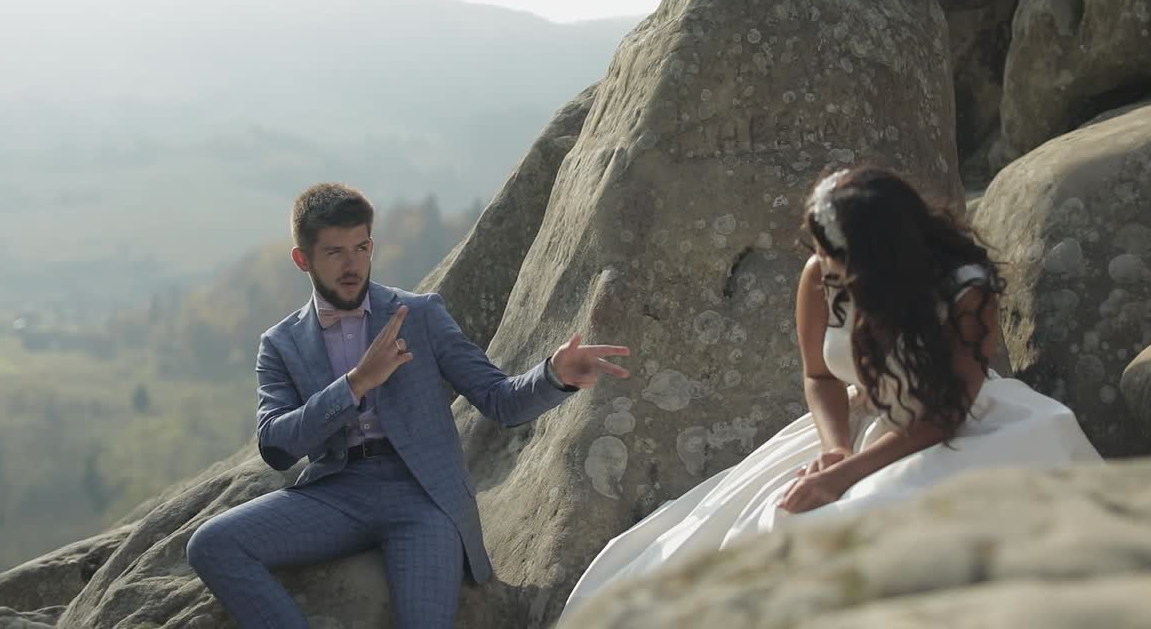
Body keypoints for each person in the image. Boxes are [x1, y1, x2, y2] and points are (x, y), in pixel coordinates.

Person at [564, 166, 1100, 610]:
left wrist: (847, 474)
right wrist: (835, 449)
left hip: (958, 426)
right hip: (859, 422)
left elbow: (947, 411)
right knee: (758, 532)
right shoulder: (821, 274)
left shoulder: (964, 288)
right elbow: (819, 376)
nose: (825, 267)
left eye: (837, 257)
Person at [186, 182, 631, 629]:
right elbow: (276, 446)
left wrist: (554, 373)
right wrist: (355, 384)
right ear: (303, 259)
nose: (352, 264)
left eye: (361, 248)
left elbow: (501, 401)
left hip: (422, 496)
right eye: (335, 252)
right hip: (336, 494)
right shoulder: (281, 344)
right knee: (211, 543)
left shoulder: (419, 314)